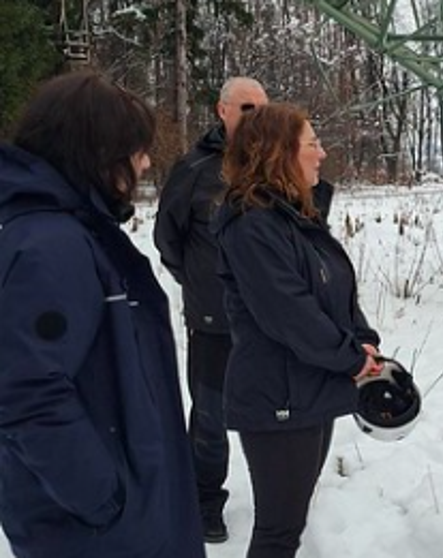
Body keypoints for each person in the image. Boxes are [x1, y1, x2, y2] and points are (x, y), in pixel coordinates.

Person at [0, 72, 204, 557]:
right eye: (137, 151)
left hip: (122, 516)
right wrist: (105, 500)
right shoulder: (51, 246)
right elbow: (26, 392)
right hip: (100, 531)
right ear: (97, 155)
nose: (147, 162)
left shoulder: (75, 233)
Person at [212, 103, 382, 558]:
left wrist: (364, 341)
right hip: (277, 396)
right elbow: (290, 313)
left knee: (292, 521)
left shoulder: (293, 216)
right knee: (278, 531)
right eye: (312, 144)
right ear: (279, 153)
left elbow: (333, 291)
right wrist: (351, 359)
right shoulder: (251, 225)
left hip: (311, 386)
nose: (322, 153)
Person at [153, 76, 268, 543]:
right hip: (214, 320)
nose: (255, 117)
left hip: (269, 320)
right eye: (246, 108)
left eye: (262, 108)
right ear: (222, 111)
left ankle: (279, 494)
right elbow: (168, 238)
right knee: (210, 418)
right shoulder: (195, 169)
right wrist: (198, 283)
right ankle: (204, 500)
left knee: (274, 412)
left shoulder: (273, 163)